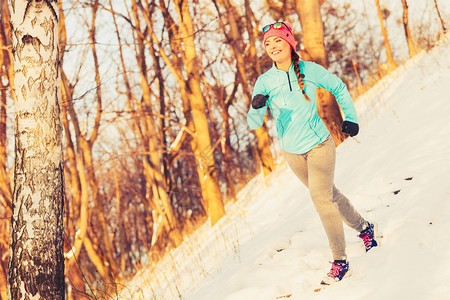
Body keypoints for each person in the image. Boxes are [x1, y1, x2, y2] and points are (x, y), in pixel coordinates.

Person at [247, 21, 378, 285]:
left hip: (319, 144)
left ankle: (340, 260)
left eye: (277, 41)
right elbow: (253, 123)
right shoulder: (265, 81)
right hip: (292, 153)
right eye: (268, 43)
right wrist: (256, 106)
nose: (272, 46)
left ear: (289, 43)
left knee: (321, 199)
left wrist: (350, 118)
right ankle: (364, 227)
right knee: (330, 195)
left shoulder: (308, 70)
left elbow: (338, 88)